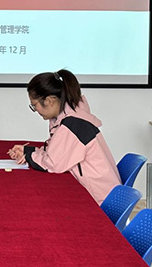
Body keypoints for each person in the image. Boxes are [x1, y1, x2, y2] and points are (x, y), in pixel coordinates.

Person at [7, 70, 120, 204]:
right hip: (101, 192)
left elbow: (53, 164)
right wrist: (28, 151)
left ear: (49, 100)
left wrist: (29, 156)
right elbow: (55, 152)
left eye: (34, 105)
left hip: (100, 200)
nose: (35, 110)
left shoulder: (73, 124)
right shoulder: (70, 117)